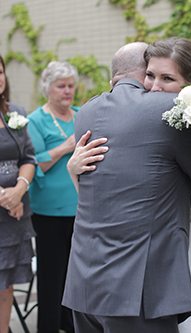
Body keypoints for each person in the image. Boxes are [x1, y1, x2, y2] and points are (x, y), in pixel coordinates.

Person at [62, 39, 191, 332]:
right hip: (154, 261)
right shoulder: (154, 117)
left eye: (167, 78)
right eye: (150, 75)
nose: (155, 87)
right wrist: (72, 169)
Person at [27, 60, 79, 333]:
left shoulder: (81, 114)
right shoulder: (36, 119)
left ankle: (72, 324)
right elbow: (35, 163)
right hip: (48, 212)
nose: (67, 91)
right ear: (48, 88)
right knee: (51, 274)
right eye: (61, 86)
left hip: (80, 209)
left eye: (71, 85)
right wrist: (65, 148)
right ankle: (48, 326)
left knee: (76, 274)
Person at [0, 54, 36, 333]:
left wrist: (19, 190)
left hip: (15, 215)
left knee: (6, 284)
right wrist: (5, 197)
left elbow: (28, 157)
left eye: (0, 72)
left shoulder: (15, 113)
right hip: (7, 205)